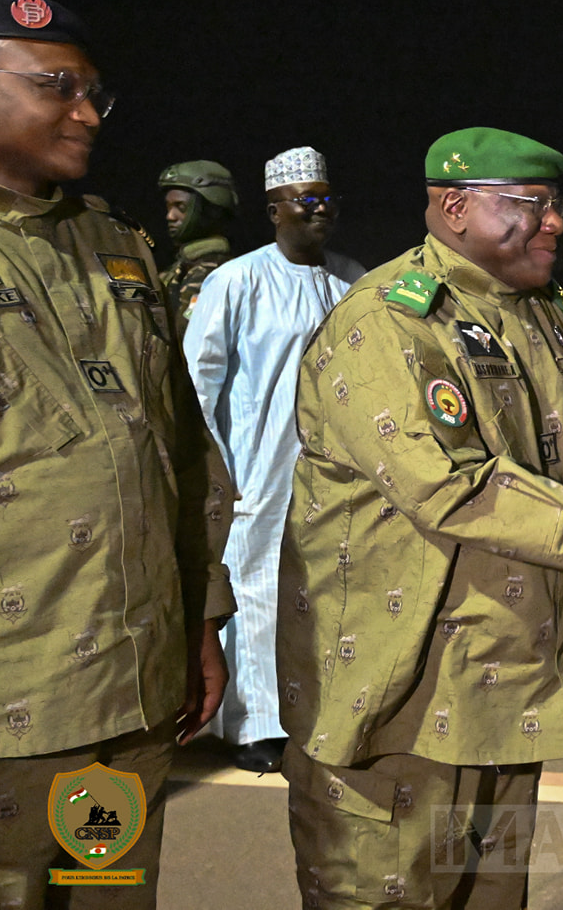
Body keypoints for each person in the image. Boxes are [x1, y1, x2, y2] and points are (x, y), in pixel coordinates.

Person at [275, 127, 563, 910]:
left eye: (557, 206)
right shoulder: (389, 322)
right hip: (398, 708)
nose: (555, 223)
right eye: (531, 205)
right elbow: (457, 488)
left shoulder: (536, 309)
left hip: (507, 691)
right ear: (454, 207)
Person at [0, 0, 234, 908]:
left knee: (112, 890)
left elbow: (181, 445)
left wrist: (200, 619)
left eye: (95, 94)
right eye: (57, 86)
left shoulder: (115, 245)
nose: (86, 113)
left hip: (132, 690)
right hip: (7, 702)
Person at [183, 147, 364, 774]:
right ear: (273, 211)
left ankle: (322, 710)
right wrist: (210, 467)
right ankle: (256, 723)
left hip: (335, 470)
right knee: (256, 587)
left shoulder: (354, 282)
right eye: (303, 199)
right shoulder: (235, 281)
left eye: (326, 198)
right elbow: (197, 380)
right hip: (255, 464)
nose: (318, 210)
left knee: (330, 591)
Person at [157, 159, 238, 333]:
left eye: (181, 207)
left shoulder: (217, 273)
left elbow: (187, 337)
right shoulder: (181, 269)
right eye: (169, 207)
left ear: (210, 208)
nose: (170, 216)